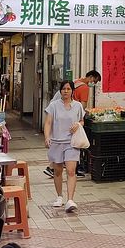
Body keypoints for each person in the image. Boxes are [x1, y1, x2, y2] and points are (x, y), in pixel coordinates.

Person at [44, 80, 84, 213]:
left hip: (72, 143)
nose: (66, 91)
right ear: (60, 91)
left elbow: (82, 121)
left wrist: (78, 125)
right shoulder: (54, 106)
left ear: (72, 91)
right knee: (58, 171)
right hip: (56, 142)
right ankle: (59, 196)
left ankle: (70, 200)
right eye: (63, 89)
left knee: (71, 171)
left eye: (68, 89)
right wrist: (47, 137)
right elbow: (48, 123)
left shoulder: (78, 106)